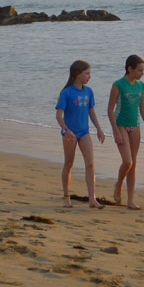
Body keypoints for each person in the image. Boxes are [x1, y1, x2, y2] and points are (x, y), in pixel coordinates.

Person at [55, 60, 106, 209]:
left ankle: (92, 198)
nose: (89, 76)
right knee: (69, 164)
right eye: (87, 73)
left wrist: (99, 129)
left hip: (84, 132)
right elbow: (59, 115)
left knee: (90, 164)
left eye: (89, 73)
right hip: (70, 134)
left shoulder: (88, 91)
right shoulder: (66, 92)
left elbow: (91, 111)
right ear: (77, 75)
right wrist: (65, 130)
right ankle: (66, 197)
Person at [107, 54, 144, 209]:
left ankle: (130, 200)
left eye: (143, 70)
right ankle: (118, 184)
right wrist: (115, 131)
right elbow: (110, 110)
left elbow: (143, 109)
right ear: (130, 68)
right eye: (140, 70)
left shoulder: (141, 86)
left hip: (135, 126)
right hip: (121, 124)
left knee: (133, 164)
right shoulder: (118, 85)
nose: (142, 73)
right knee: (127, 161)